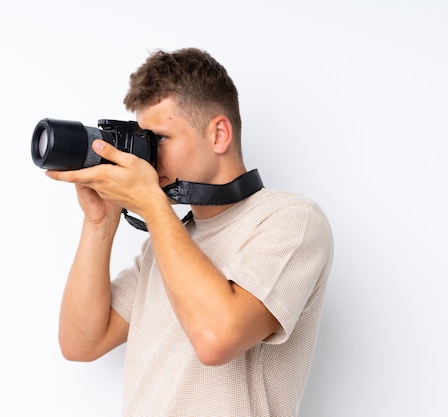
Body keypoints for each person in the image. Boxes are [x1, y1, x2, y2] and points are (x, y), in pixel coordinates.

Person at [45, 47, 334, 417]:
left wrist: (152, 203)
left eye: (160, 138)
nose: (148, 156)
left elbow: (216, 338)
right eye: (144, 139)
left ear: (218, 134)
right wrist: (100, 224)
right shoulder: (164, 246)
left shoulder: (289, 219)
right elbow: (81, 342)